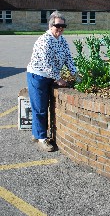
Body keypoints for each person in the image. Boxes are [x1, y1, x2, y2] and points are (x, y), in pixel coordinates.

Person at [27, 11, 78, 152]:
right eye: (57, 26)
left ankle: (37, 132)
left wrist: (76, 75)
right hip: (37, 76)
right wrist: (59, 79)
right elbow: (46, 64)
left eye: (63, 26)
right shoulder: (44, 40)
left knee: (44, 106)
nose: (60, 29)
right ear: (51, 25)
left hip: (50, 76)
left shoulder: (62, 40)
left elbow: (68, 58)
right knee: (40, 108)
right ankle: (42, 139)